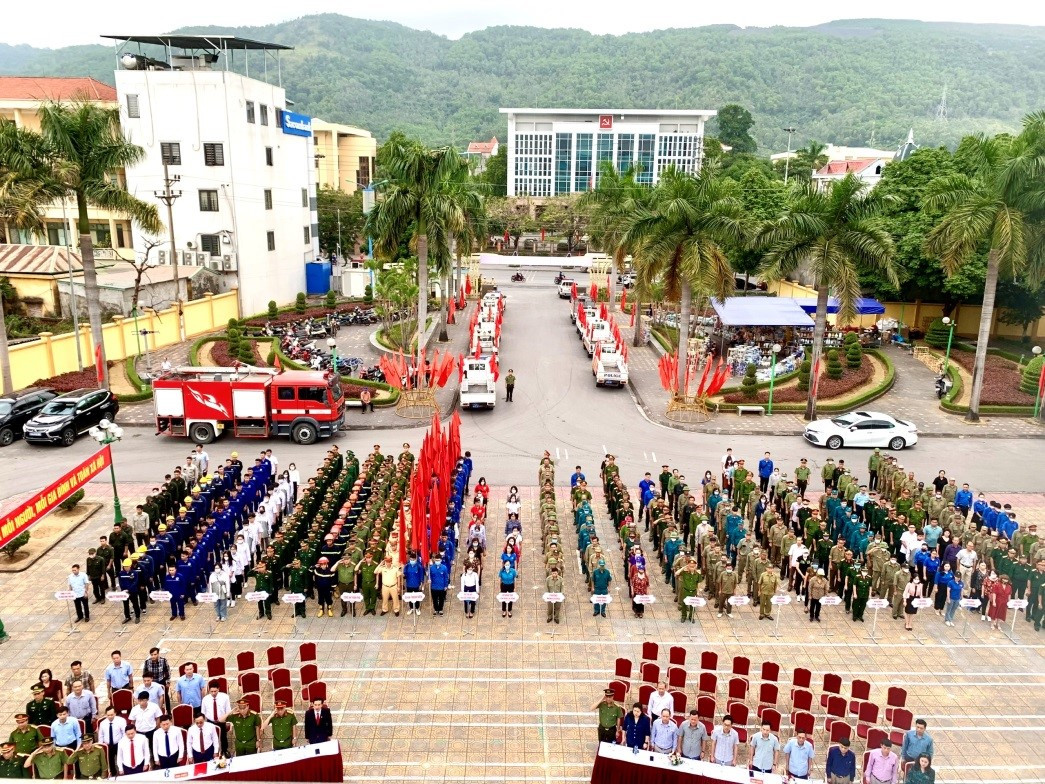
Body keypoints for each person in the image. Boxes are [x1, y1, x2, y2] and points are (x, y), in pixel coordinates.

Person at [200, 682, 231, 754]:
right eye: (211, 691)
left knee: (223, 736)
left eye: (215, 691)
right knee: (211, 737)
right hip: (210, 721)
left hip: (221, 721)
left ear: (218, 689)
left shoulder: (225, 697)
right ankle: (213, 751)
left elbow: (228, 711)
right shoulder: (205, 699)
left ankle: (224, 750)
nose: (213, 693)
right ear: (209, 690)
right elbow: (203, 712)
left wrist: (227, 722)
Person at [96, 706, 126, 772]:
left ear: (115, 713)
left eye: (112, 715)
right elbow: (101, 735)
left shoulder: (121, 721)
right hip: (108, 745)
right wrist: (101, 746)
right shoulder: (102, 723)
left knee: (121, 758)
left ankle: (123, 771)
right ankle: (113, 773)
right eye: (108, 715)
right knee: (110, 760)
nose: (110, 716)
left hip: (119, 743)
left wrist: (123, 743)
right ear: (106, 715)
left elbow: (124, 733)